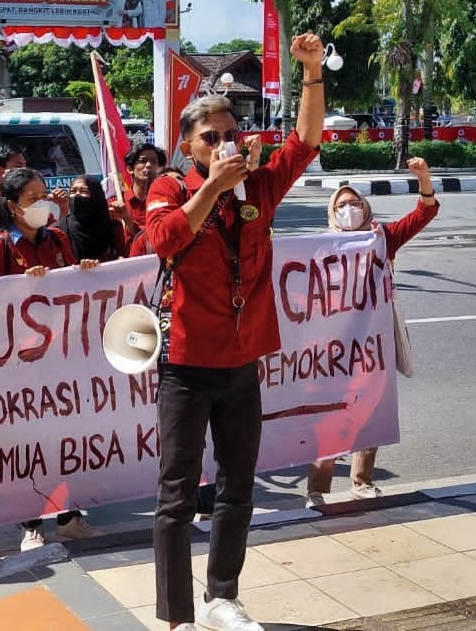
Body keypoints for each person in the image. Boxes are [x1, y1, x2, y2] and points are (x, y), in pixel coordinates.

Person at [145, 32, 327, 631]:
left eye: (232, 133)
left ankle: (223, 595)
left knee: (237, 485)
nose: (227, 143)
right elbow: (165, 239)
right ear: (190, 147)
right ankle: (176, 617)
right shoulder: (170, 187)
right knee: (176, 496)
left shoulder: (259, 188)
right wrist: (214, 188)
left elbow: (305, 141)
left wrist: (312, 72)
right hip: (187, 365)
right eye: (211, 137)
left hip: (243, 363)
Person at [0, 167, 100, 550]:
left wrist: (84, 273)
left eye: (44, 195)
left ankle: (67, 513)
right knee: (27, 445)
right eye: (32, 198)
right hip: (18, 366)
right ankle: (30, 522)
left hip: (59, 358)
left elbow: (73, 287)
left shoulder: (58, 238)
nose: (42, 203)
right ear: (12, 206)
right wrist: (22, 288)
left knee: (62, 438)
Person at [304, 158, 439, 506]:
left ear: (366, 208)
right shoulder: (320, 249)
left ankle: (362, 481)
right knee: (331, 415)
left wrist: (423, 179)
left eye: (354, 203)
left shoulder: (383, 239)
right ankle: (317, 488)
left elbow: (423, 214)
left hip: (373, 343)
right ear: (332, 213)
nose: (349, 208)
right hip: (334, 346)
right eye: (341, 205)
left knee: (370, 410)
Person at [63, 174, 126, 262]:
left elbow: (123, 254)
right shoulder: (63, 227)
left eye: (83, 191)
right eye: (73, 192)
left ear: (96, 195)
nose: (77, 195)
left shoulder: (113, 227)